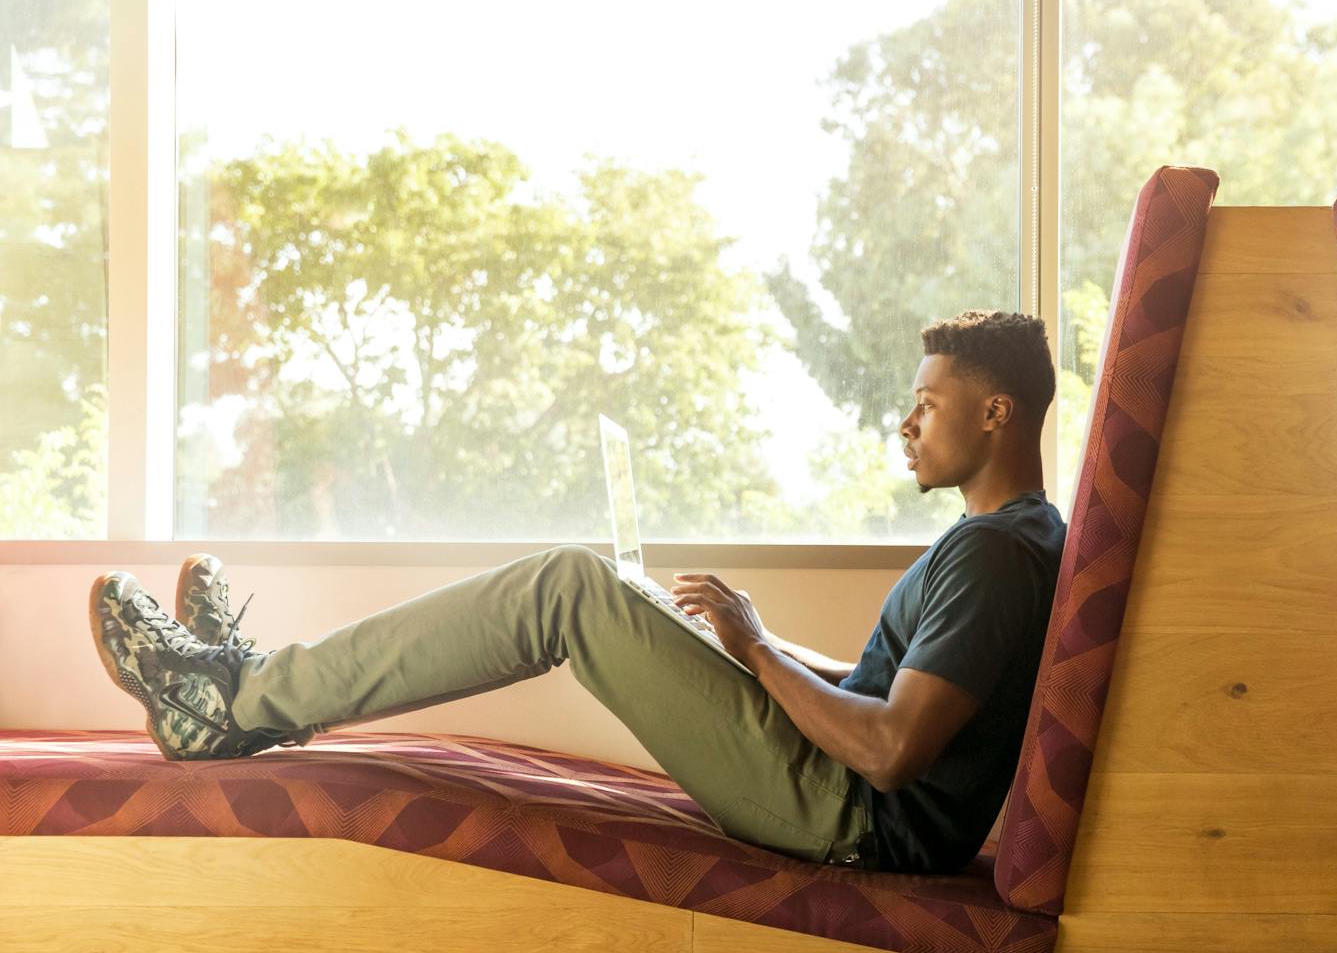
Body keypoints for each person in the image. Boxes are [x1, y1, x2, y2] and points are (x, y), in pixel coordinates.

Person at [86, 310, 1067, 875]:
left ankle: (239, 701)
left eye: (927, 405)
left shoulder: (991, 556)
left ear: (994, 411)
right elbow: (880, 689)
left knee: (564, 585)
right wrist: (746, 640)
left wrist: (760, 651)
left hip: (849, 818)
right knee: (593, 588)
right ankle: (253, 691)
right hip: (839, 789)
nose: (905, 424)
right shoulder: (1008, 544)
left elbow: (893, 751)